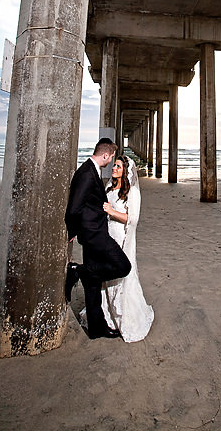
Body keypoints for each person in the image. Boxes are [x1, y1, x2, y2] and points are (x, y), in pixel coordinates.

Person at [81, 155, 154, 342]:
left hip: (121, 236)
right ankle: (105, 316)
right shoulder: (109, 187)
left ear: (126, 171)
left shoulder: (132, 192)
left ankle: (120, 316)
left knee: (120, 272)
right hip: (106, 236)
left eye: (118, 167)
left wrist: (111, 211)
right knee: (105, 272)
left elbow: (133, 219)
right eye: (114, 165)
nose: (114, 168)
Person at [64, 138, 131, 339]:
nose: (111, 161)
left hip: (93, 232)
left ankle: (96, 327)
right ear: (105, 155)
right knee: (122, 266)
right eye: (111, 157)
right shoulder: (86, 173)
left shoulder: (90, 169)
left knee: (93, 284)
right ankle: (78, 270)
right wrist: (73, 231)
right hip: (94, 234)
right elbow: (74, 207)